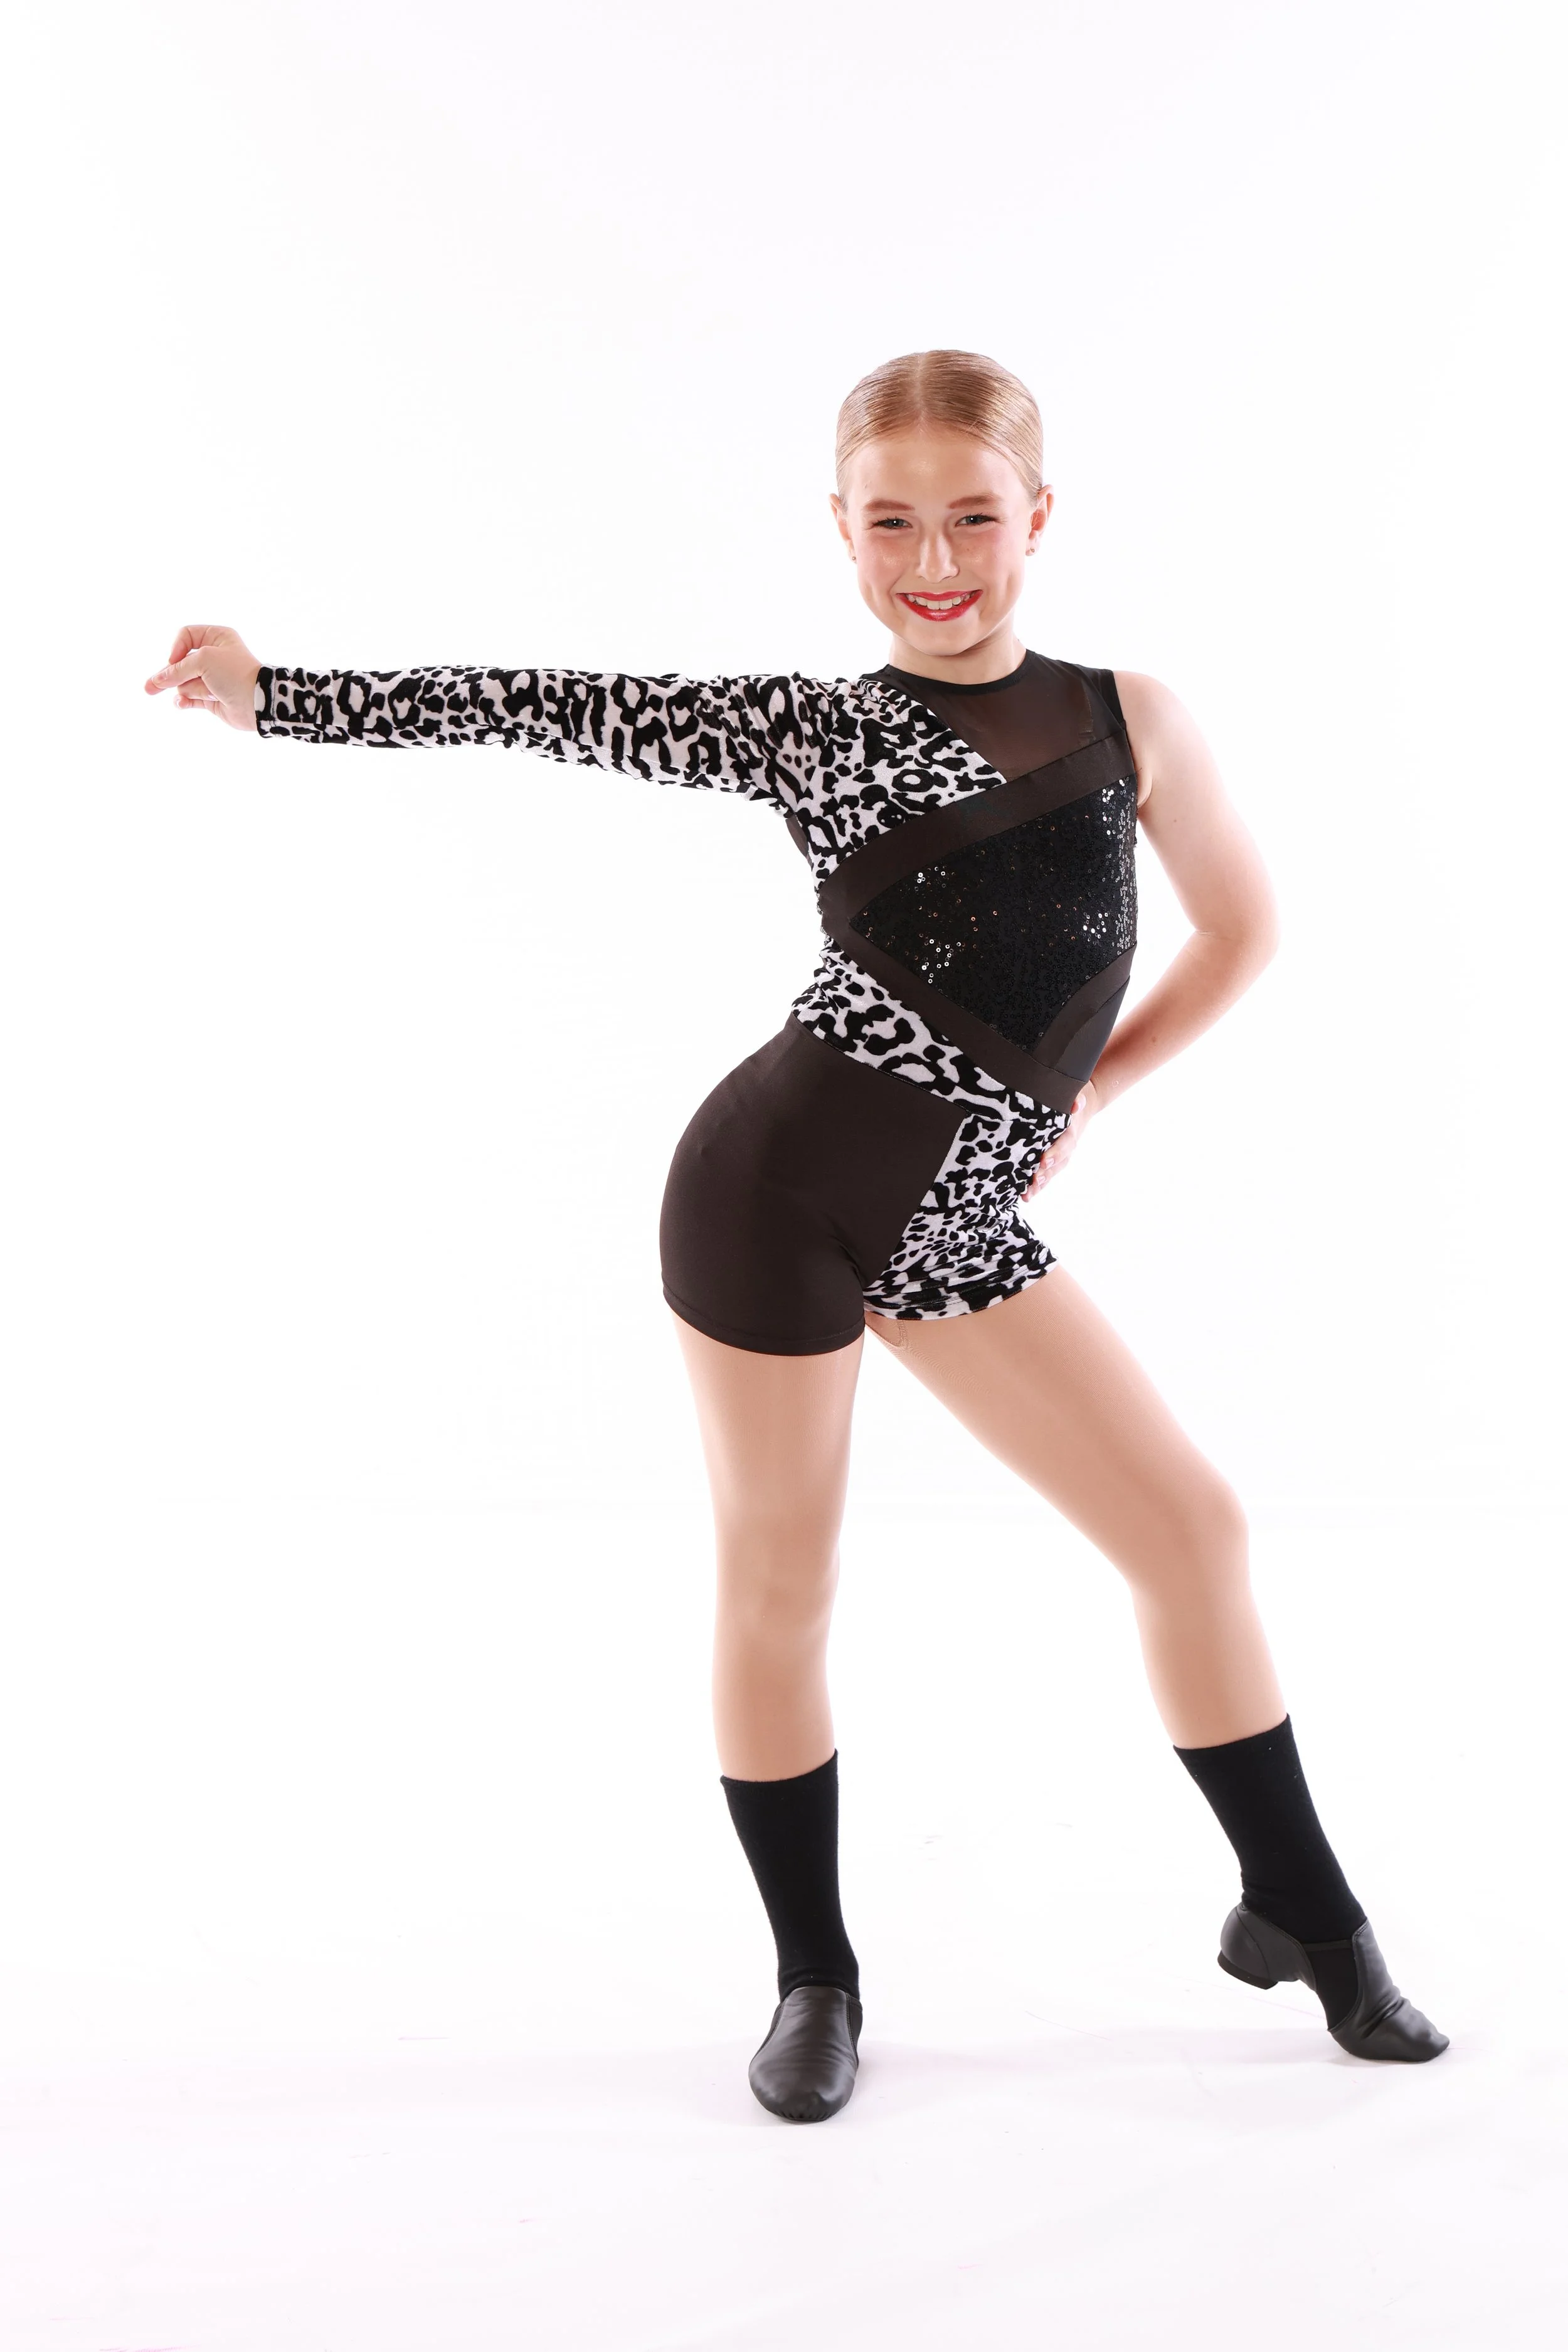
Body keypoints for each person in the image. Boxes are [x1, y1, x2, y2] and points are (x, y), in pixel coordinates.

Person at [143, 347, 1447, 2124]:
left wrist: (1097, 1096)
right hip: (775, 1194)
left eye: (973, 515)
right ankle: (813, 1974)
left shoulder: (1131, 719)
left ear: (1037, 519)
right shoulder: (805, 728)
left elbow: (1243, 935)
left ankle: (1299, 1904)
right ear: (837, 528)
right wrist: (269, 690)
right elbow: (529, 701)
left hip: (960, 1219)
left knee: (1192, 1531)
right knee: (783, 1580)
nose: (935, 555)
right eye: (890, 519)